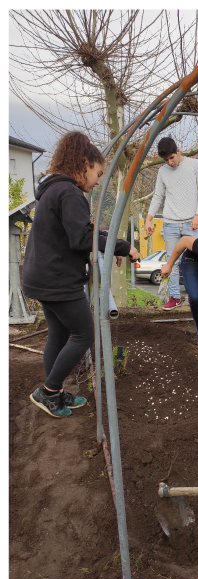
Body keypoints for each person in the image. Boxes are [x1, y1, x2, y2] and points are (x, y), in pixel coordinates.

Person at [22, 131, 139, 418]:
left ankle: (56, 393)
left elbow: (79, 232)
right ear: (83, 164)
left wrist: (113, 245)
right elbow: (81, 238)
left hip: (41, 277)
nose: (98, 180)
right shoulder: (70, 193)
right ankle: (48, 392)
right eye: (98, 173)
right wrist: (121, 246)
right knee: (85, 334)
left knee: (59, 335)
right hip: (58, 281)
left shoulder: (52, 189)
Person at [145, 137, 198, 311]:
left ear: (178, 151)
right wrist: (149, 218)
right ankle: (174, 297)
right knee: (171, 262)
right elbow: (158, 196)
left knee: (194, 261)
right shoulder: (163, 172)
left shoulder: (195, 165)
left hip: (191, 223)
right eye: (166, 160)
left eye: (172, 157)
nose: (170, 162)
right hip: (170, 224)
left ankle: (195, 296)